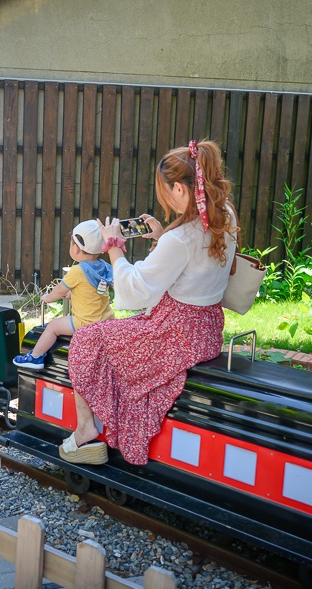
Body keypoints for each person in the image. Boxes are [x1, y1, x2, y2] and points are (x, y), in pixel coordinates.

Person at [57, 140, 236, 466]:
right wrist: (160, 235)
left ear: (180, 189)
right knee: (107, 338)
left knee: (86, 339)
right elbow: (193, 262)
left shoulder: (179, 239)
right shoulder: (224, 216)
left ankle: (85, 430)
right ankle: (100, 418)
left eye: (166, 191)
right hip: (207, 329)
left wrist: (114, 247)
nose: (164, 197)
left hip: (174, 332)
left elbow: (136, 291)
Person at [13, 220, 114, 370]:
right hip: (106, 320)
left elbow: (59, 290)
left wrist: (49, 298)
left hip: (85, 322)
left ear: (76, 248)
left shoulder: (77, 271)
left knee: (53, 326)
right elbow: (91, 292)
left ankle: (35, 357)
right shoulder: (104, 267)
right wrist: (73, 294)